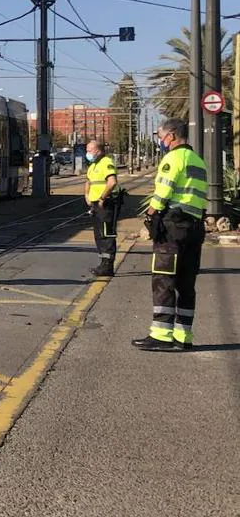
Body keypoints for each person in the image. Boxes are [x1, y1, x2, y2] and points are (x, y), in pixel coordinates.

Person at [134, 118, 207, 352]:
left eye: (160, 136)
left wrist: (150, 214)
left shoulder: (173, 158)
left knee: (163, 278)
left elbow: (163, 190)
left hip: (173, 227)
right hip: (194, 227)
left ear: (172, 136)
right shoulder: (198, 161)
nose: (160, 141)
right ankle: (183, 335)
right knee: (186, 282)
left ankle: (161, 334)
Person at [84, 139, 121, 276]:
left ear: (98, 150)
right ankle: (103, 264)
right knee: (99, 234)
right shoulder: (93, 165)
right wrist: (86, 195)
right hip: (95, 204)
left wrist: (102, 198)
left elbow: (112, 182)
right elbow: (88, 181)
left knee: (106, 234)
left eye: (89, 150)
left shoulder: (106, 163)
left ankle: (108, 266)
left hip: (105, 204)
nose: (87, 153)